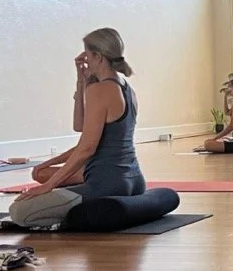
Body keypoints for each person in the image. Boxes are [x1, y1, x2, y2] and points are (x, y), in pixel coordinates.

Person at [10, 28, 145, 227]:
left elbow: (87, 148)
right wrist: (82, 82)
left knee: (19, 212)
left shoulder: (100, 90)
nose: (86, 60)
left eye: (88, 55)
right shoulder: (126, 89)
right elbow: (80, 126)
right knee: (44, 176)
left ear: (98, 56)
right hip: (134, 181)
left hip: (106, 185)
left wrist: (48, 186)